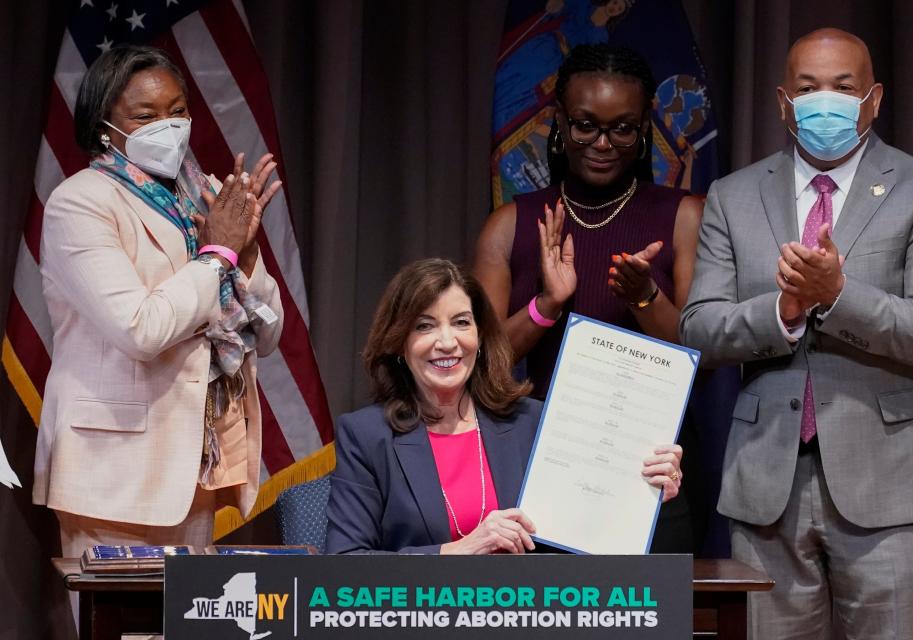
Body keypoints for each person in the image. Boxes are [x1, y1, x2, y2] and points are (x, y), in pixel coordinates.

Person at [680, 28, 913, 639]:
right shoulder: (732, 196)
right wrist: (782, 309)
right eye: (808, 89)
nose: (824, 101)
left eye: (843, 87)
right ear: (783, 102)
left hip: (890, 487)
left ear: (875, 98)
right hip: (765, 483)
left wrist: (837, 296)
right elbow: (698, 330)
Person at [33, 45, 285, 558]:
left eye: (177, 111)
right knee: (123, 633)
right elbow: (140, 329)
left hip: (194, 465)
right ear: (106, 126)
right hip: (114, 470)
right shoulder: (80, 203)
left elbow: (270, 333)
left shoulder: (205, 196)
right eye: (145, 116)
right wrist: (218, 255)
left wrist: (248, 255)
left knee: (186, 629)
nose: (167, 126)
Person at [475, 43, 705, 553]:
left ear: (645, 125)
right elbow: (480, 362)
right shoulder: (509, 225)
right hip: (542, 481)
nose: (603, 143)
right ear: (559, 120)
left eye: (622, 127)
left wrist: (645, 298)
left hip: (652, 482)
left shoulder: (686, 216)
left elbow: (704, 359)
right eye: (585, 125)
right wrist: (547, 306)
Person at [325, 258, 682, 554]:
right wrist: (461, 550)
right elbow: (345, 563)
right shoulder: (367, 436)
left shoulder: (533, 422)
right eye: (424, 326)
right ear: (399, 343)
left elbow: (586, 531)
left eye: (461, 322)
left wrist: (641, 492)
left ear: (480, 337)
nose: (447, 342)